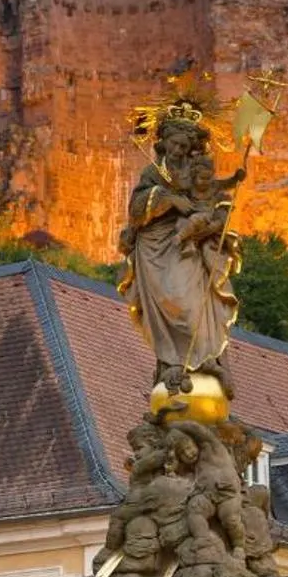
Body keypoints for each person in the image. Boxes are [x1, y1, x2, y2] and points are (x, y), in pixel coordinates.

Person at [118, 114, 243, 399]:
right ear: (164, 143)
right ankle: (172, 363)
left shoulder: (198, 169)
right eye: (174, 145)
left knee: (192, 306)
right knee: (169, 300)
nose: (178, 151)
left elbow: (217, 198)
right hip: (156, 247)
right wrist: (170, 199)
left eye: (184, 147)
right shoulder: (152, 173)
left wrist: (215, 215)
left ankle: (207, 360)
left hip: (193, 248)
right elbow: (136, 211)